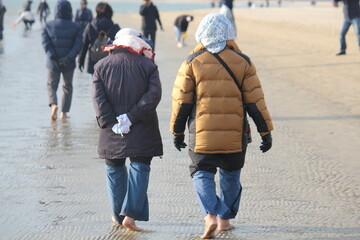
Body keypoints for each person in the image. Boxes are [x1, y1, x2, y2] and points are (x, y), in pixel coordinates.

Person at [170, 13, 273, 239]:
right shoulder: (243, 61)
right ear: (229, 33)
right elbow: (255, 102)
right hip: (235, 136)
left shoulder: (191, 62)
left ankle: (210, 216)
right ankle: (225, 219)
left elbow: (181, 102)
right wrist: (265, 132)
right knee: (231, 175)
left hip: (201, 135)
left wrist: (177, 132)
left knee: (201, 173)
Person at [92, 28, 163, 231]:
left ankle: (118, 216)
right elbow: (154, 95)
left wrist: (111, 122)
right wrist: (131, 117)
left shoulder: (100, 66)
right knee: (140, 167)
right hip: (143, 126)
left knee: (114, 169)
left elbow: (98, 99)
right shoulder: (148, 66)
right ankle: (130, 216)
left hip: (111, 130)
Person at [41, 0, 82, 120]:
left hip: (52, 63)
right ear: (69, 11)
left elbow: (45, 44)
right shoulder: (76, 27)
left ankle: (54, 104)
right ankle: (64, 113)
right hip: (69, 63)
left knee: (51, 85)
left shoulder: (48, 25)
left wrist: (53, 57)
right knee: (67, 86)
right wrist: (68, 58)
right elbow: (78, 45)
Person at [78, 2, 120, 74]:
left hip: (94, 61)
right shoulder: (115, 28)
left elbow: (84, 45)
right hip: (110, 63)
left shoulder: (90, 26)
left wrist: (81, 61)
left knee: (95, 83)